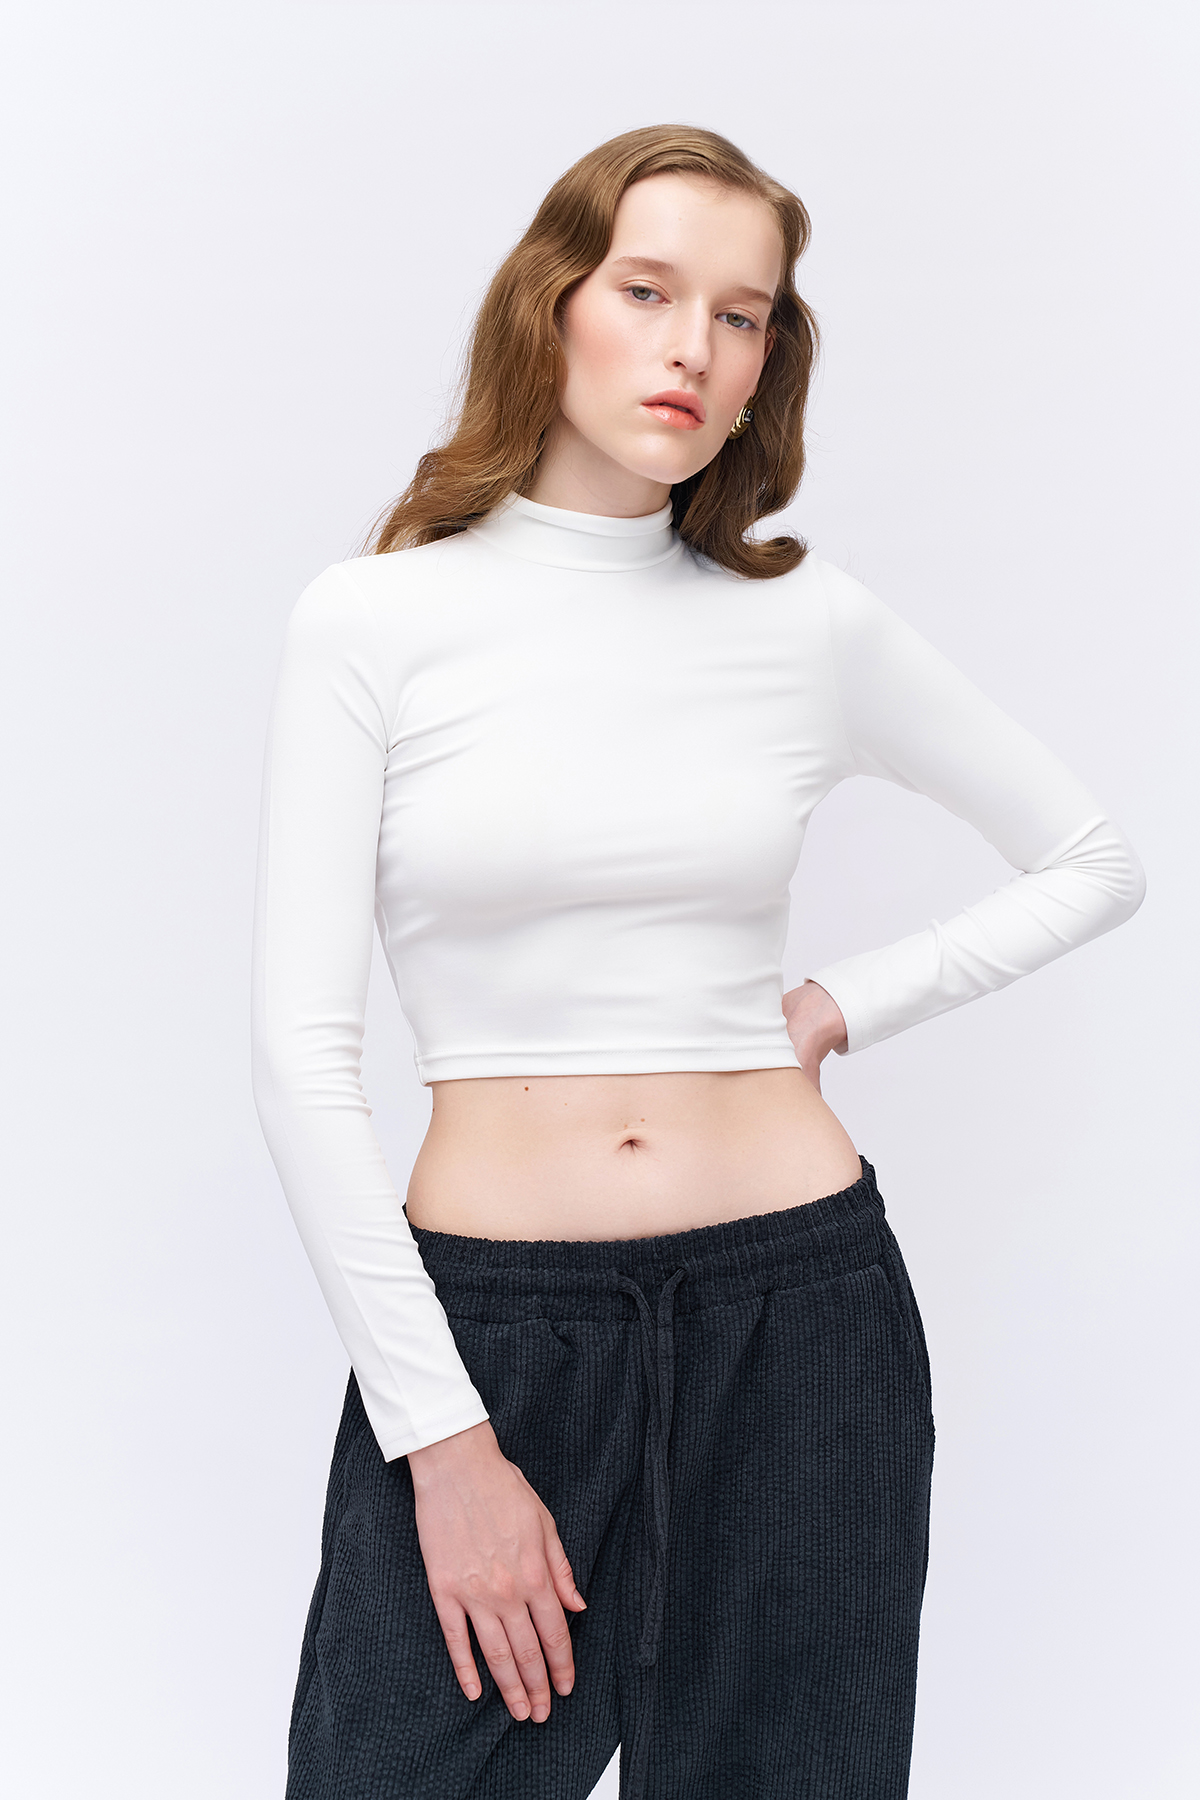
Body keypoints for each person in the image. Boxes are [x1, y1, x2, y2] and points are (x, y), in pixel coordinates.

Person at [251, 124, 1145, 1800]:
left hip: (800, 1326)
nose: (694, 349)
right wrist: (443, 1443)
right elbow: (300, 1060)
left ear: (766, 364)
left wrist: (841, 1004)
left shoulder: (804, 623)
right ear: (550, 305)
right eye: (649, 291)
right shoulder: (375, 623)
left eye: (743, 316)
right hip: (496, 1337)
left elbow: (1094, 860)